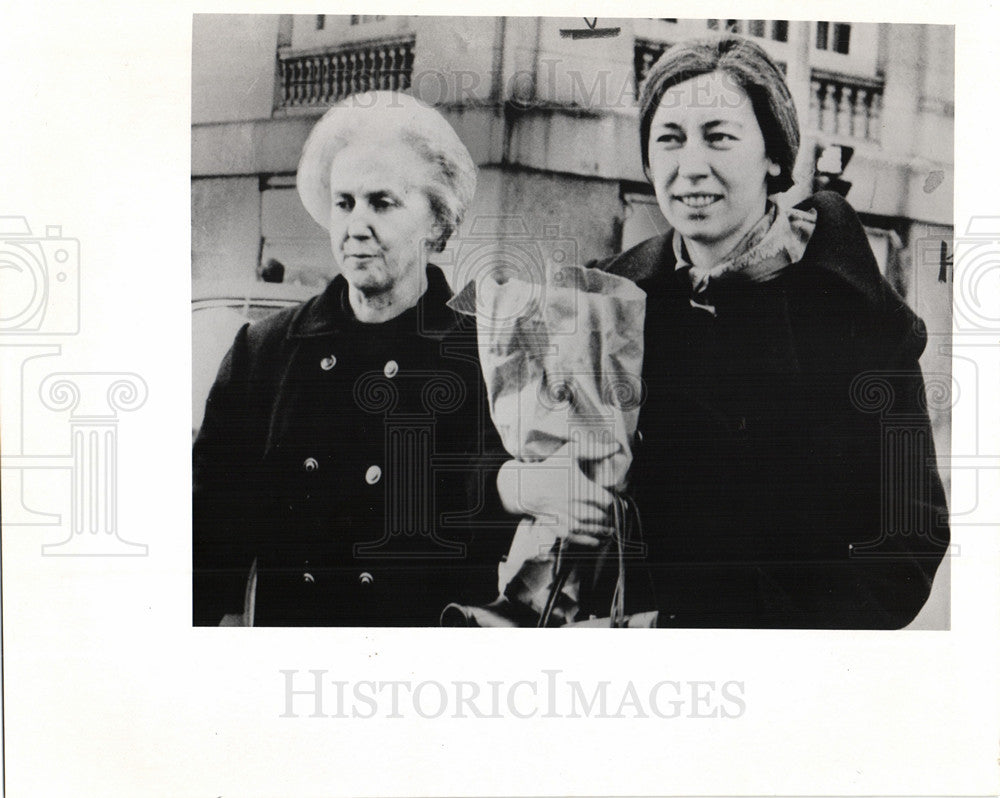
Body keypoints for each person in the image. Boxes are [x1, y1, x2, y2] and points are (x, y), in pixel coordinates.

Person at [497, 35, 949, 628]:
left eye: (719, 136)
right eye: (669, 139)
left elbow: (905, 545)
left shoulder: (853, 316)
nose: (691, 168)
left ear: (773, 156)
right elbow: (492, 457)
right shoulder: (608, 298)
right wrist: (525, 485)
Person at [193, 91, 508, 626]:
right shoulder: (264, 354)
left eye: (381, 203)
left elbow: (493, 516)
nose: (356, 225)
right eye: (344, 203)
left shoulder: (482, 357)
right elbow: (209, 541)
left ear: (437, 220)